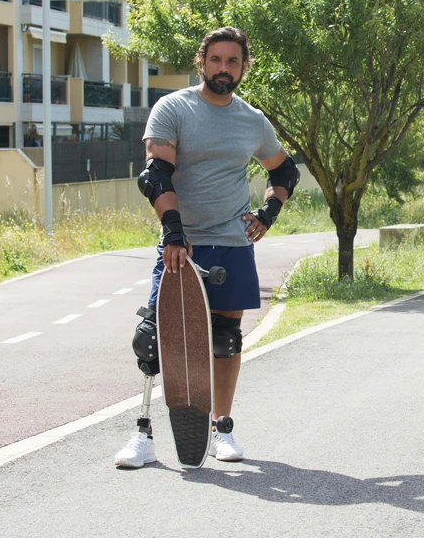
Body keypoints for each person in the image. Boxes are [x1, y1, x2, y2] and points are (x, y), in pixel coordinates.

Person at [114, 27, 299, 468]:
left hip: (233, 245)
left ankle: (223, 429)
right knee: (156, 340)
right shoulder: (174, 108)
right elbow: (155, 176)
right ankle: (143, 436)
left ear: (243, 67)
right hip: (184, 244)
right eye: (216, 60)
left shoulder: (252, 120)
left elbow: (285, 173)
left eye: (232, 61)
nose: (223, 68)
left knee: (225, 341)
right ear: (202, 62)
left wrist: (267, 215)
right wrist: (174, 233)